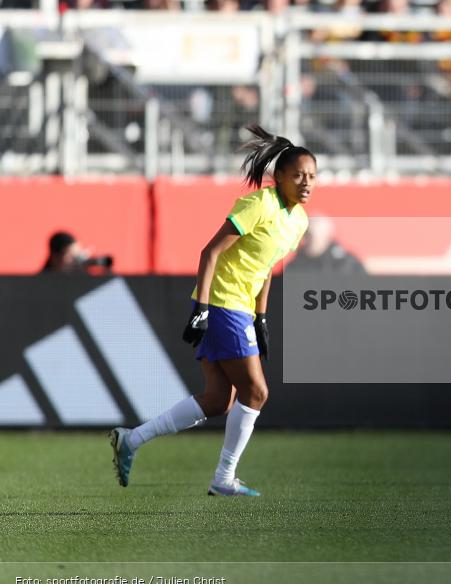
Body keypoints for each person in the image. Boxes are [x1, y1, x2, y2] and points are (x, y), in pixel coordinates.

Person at [109, 124, 317, 497]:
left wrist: (262, 316)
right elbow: (211, 252)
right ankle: (224, 477)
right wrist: (202, 308)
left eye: (313, 176)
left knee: (218, 400)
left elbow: (266, 266)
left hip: (241, 307)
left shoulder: (298, 220)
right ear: (279, 177)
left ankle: (132, 439)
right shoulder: (260, 205)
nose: (306, 182)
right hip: (222, 302)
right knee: (256, 391)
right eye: (298, 174)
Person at [41, 231, 113, 274]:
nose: (77, 260)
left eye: (79, 255)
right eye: (71, 256)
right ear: (55, 257)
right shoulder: (40, 284)